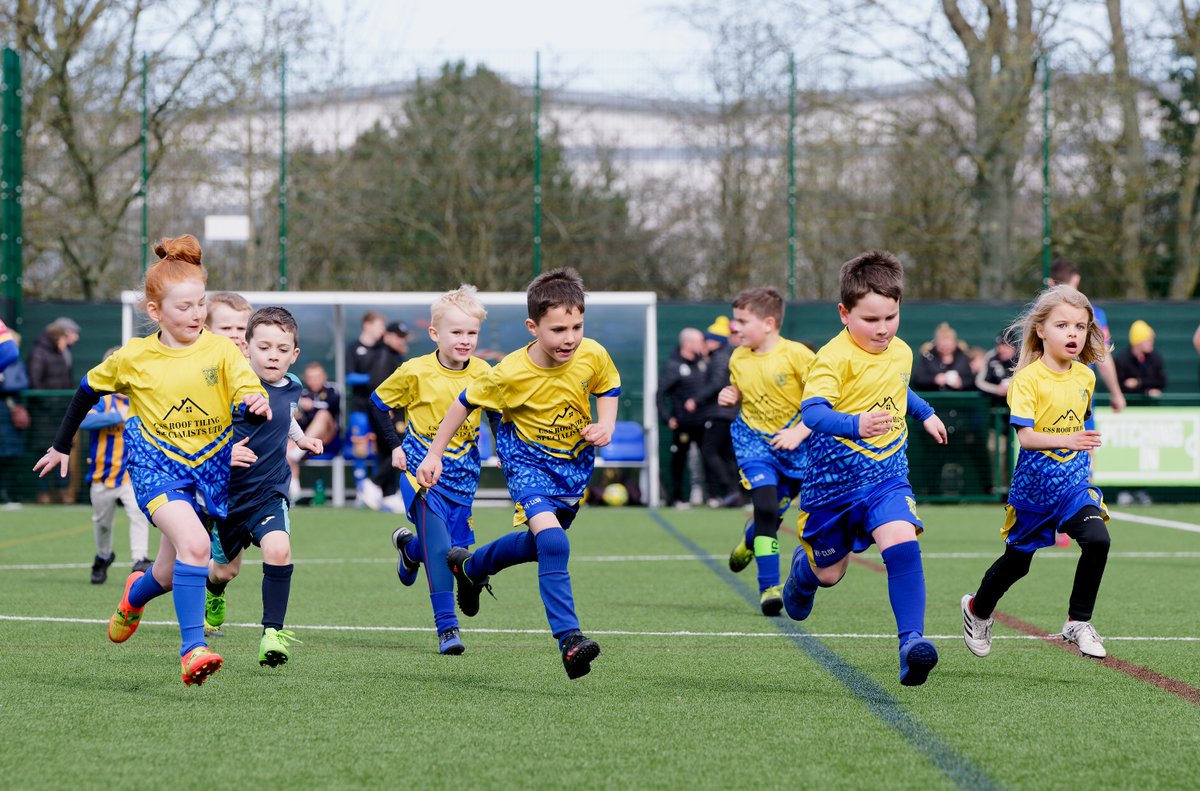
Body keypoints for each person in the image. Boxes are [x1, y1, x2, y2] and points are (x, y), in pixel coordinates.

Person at [33, 235, 270, 686]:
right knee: (197, 547)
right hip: (154, 468)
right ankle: (192, 649)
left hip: (208, 470)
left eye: (200, 303)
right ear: (155, 312)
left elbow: (246, 386)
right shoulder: (135, 356)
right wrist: (61, 444)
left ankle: (133, 598)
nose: (197, 314)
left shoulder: (221, 350)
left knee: (165, 571)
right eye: (184, 307)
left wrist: (256, 401)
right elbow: (86, 390)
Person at [416, 268, 620, 680]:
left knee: (537, 545)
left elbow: (607, 385)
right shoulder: (510, 372)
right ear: (533, 326)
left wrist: (607, 425)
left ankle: (470, 569)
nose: (570, 338)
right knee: (553, 541)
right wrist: (434, 454)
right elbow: (463, 402)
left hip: (573, 465)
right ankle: (570, 640)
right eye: (558, 328)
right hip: (525, 463)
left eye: (577, 326)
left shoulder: (592, 353)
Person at [782, 250, 948, 686]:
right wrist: (856, 424)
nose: (883, 329)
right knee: (830, 574)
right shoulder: (832, 359)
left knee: (902, 542)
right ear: (844, 313)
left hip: (885, 475)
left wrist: (926, 413)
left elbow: (898, 386)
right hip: (832, 489)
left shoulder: (902, 351)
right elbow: (813, 413)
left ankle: (911, 645)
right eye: (871, 320)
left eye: (891, 317)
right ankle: (804, 572)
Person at [961, 284, 1112, 660]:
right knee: (1017, 563)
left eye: (1080, 326)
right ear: (1041, 330)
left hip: (1073, 485)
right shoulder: (1027, 379)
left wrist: (1085, 450)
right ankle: (977, 610)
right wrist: (1070, 440)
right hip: (1034, 490)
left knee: (1098, 539)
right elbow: (1026, 438)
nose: (1073, 333)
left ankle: (1078, 621)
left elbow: (1084, 420)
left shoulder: (1085, 377)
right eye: (1063, 325)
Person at [370, 286, 494, 655]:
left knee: (453, 548)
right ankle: (447, 629)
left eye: (471, 333)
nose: (465, 340)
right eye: (456, 332)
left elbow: (500, 416)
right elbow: (378, 404)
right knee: (442, 553)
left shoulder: (485, 372)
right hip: (421, 474)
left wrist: (506, 451)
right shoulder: (415, 371)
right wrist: (395, 446)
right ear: (435, 334)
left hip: (464, 475)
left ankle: (410, 549)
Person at [202, 307, 322, 668]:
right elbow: (204, 432)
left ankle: (272, 633)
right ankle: (214, 591)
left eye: (282, 349)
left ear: (294, 354)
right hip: (228, 498)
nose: (274, 355)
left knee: (279, 548)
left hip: (270, 492)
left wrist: (301, 441)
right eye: (265, 347)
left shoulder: (294, 386)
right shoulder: (231, 387)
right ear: (246, 347)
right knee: (226, 570)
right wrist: (225, 452)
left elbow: (285, 418)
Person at [717, 288, 816, 616]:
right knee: (765, 506)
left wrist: (797, 432)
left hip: (795, 449)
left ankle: (749, 542)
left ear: (769, 323)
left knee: (770, 517)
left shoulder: (798, 356)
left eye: (743, 321)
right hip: (753, 443)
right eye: (735, 321)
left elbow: (824, 399)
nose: (735, 328)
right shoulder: (738, 357)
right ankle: (769, 588)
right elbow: (745, 391)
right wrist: (733, 395)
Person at [80, 347, 153, 583]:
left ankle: (139, 559)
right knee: (102, 523)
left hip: (132, 474)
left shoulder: (141, 399)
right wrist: (119, 417)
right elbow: (85, 421)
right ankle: (103, 556)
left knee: (139, 514)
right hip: (103, 475)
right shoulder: (103, 400)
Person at [1047, 259, 1126, 416]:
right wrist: (1116, 393)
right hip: (1079, 396)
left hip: (1044, 393)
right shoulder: (1092, 314)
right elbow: (1102, 357)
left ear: (1050, 282)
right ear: (1076, 279)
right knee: (1082, 439)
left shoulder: (1038, 314)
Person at [361, 320, 412, 510]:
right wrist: (387, 408)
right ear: (387, 336)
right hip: (387, 411)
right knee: (402, 446)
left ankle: (388, 494)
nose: (401, 341)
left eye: (403, 337)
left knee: (387, 450)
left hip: (387, 410)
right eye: (398, 336)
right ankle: (373, 482)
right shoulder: (384, 354)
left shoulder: (391, 354)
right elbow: (377, 383)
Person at [29, 317, 81, 504]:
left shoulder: (65, 352)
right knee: (42, 452)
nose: (75, 338)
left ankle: (63, 491)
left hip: (61, 413)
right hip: (44, 414)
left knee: (62, 449)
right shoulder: (39, 353)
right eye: (72, 334)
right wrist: (51, 404)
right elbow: (35, 381)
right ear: (61, 334)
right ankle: (43, 494)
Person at [656, 327, 709, 509]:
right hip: (683, 423)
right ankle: (677, 498)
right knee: (678, 461)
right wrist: (667, 417)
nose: (702, 345)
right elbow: (660, 393)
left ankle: (713, 496)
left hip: (703, 422)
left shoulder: (702, 363)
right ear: (687, 344)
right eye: (699, 342)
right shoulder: (674, 365)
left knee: (709, 458)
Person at [697, 316, 742, 508]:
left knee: (710, 451)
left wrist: (695, 400)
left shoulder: (720, 356)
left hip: (719, 413)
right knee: (727, 453)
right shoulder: (730, 355)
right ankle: (736, 493)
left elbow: (715, 383)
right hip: (730, 413)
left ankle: (731, 489)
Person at [288, 361, 341, 493]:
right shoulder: (302, 394)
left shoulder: (332, 390)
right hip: (305, 440)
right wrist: (299, 412)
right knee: (287, 446)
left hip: (329, 440)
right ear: (306, 379)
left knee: (323, 415)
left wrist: (310, 404)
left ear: (324, 377)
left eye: (317, 377)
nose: (314, 381)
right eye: (311, 378)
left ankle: (297, 452)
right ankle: (294, 492)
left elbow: (332, 406)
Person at [0, 320, 30, 504]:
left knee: (8, 454)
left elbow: (21, 383)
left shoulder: (15, 360)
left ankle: (5, 492)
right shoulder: (10, 353)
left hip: (7, 413)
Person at [912, 322, 975, 391]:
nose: (945, 349)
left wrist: (961, 383)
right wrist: (934, 379)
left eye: (948, 345)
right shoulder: (927, 356)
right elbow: (918, 379)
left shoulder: (962, 356)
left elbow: (971, 379)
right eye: (942, 346)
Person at [1114, 320, 1166, 397]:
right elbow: (1120, 385)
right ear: (1138, 342)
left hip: (1151, 405)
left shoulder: (1155, 357)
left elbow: (1161, 381)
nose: (1151, 342)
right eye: (1148, 340)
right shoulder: (1122, 359)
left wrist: (1138, 382)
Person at [974, 334, 1016, 401]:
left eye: (1006, 346)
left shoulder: (1022, 357)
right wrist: (996, 389)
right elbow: (979, 382)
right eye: (999, 345)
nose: (1001, 349)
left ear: (1014, 347)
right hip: (995, 402)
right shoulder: (991, 357)